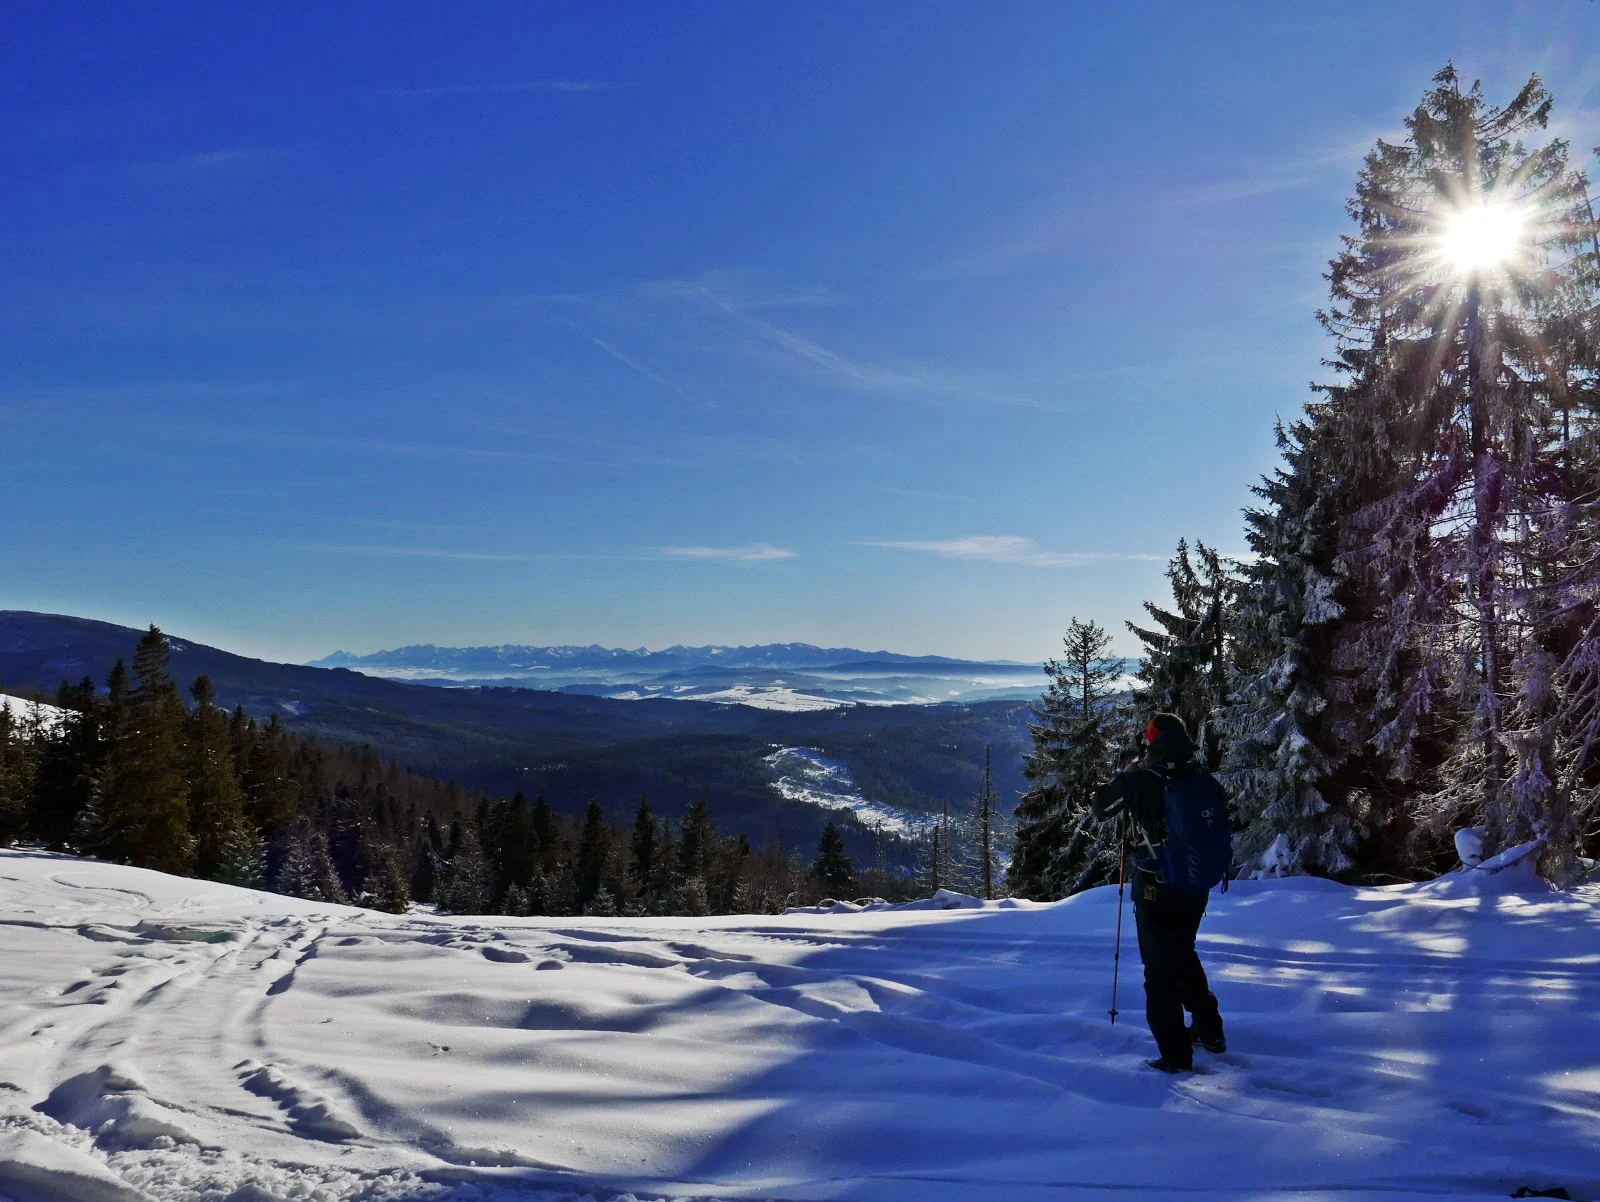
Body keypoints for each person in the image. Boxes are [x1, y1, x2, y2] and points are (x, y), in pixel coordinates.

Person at [1091, 712, 1226, 1073]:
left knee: (1160, 972)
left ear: (1152, 741)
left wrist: (1127, 776)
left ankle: (1175, 1056)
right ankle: (1210, 1029)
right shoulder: (1199, 776)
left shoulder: (1144, 780)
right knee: (1183, 953)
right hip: (1196, 887)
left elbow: (1101, 807)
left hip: (1156, 887)